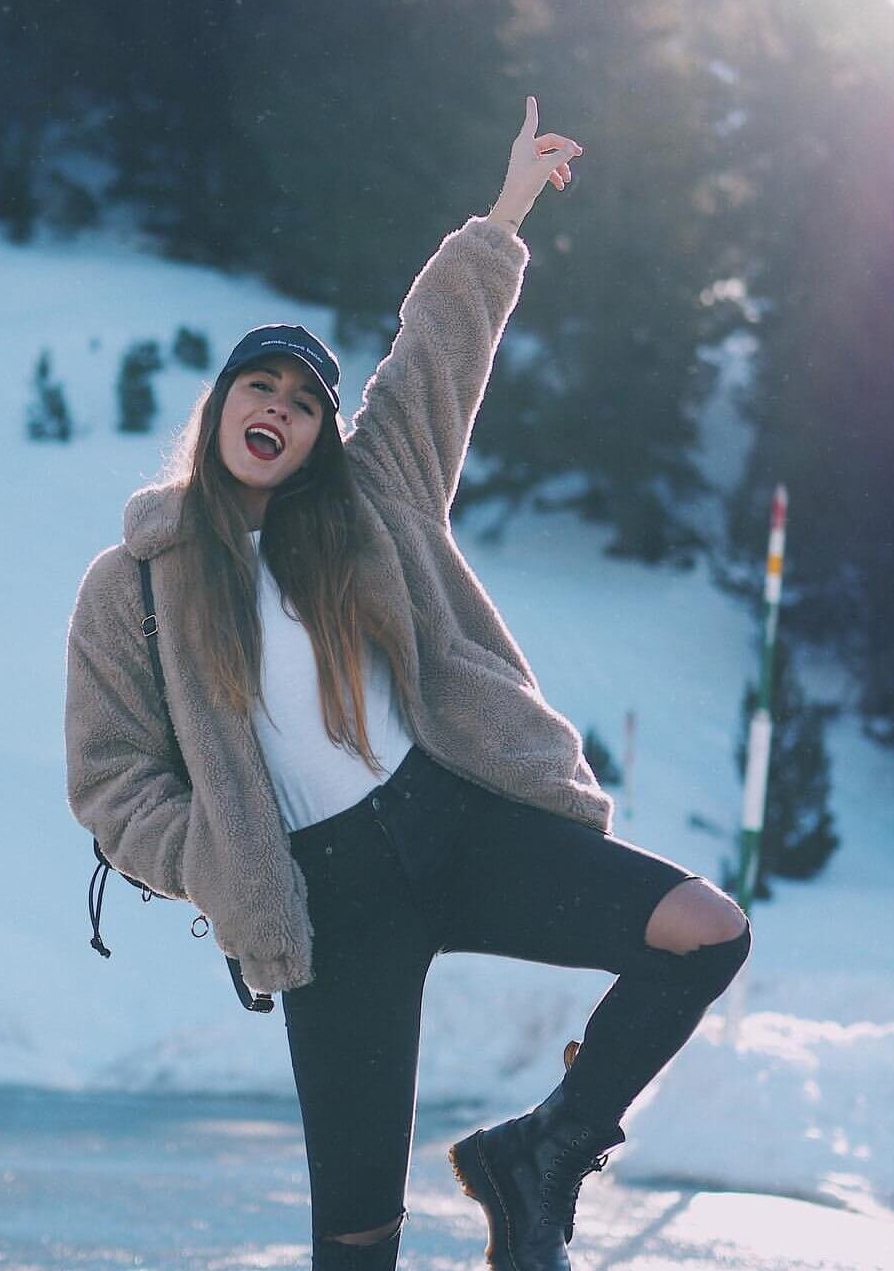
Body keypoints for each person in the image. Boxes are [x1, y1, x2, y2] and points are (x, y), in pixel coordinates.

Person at [64, 95, 751, 1271]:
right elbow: (111, 778)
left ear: (320, 435)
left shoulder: (372, 499)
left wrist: (508, 207)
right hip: (328, 904)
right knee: (356, 1242)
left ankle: (542, 1155)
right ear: (219, 408)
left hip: (458, 825)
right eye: (258, 388)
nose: (278, 410)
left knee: (705, 931)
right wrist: (219, 860)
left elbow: (436, 347)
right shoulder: (133, 582)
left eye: (302, 402)